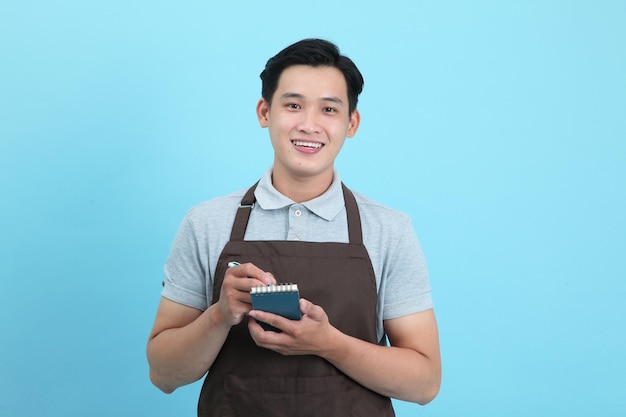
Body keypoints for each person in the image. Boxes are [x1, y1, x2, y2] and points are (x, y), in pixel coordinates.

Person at [147, 38, 441, 416]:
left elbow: (425, 383)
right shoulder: (206, 223)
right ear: (264, 112)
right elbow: (163, 374)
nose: (309, 124)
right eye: (293, 105)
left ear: (351, 123)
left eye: (329, 109)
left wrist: (328, 343)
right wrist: (219, 315)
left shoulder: (389, 230)